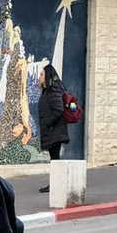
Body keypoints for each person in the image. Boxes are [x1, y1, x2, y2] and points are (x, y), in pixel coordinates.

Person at [37, 64, 70, 194]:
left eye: (41, 75)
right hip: (52, 131)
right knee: (54, 159)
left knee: (55, 159)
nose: (39, 77)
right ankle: (56, 183)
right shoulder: (48, 90)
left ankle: (56, 184)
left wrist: (47, 124)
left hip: (55, 131)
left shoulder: (53, 91)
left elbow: (58, 110)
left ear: (47, 76)